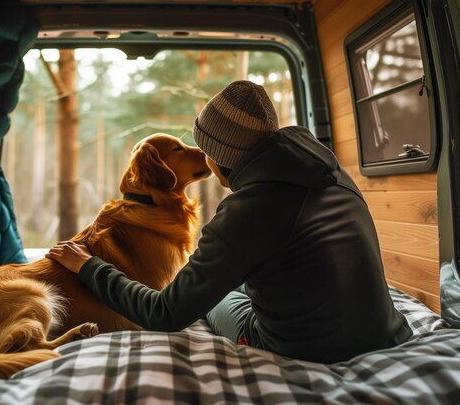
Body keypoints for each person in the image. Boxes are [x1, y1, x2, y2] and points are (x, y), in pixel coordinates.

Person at [45, 80, 412, 363]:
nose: (201, 159)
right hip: (387, 331)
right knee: (229, 283)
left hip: (305, 347)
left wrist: (89, 266)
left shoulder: (247, 209)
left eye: (204, 150)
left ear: (219, 156)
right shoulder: (331, 172)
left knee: (210, 301)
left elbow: (165, 314)